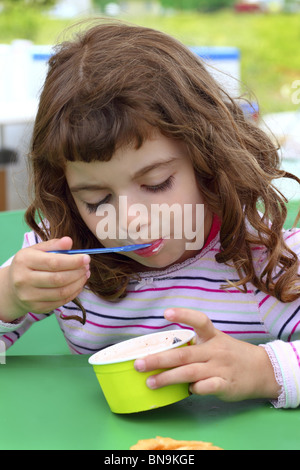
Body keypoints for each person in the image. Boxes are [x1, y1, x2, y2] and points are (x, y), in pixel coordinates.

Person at [0, 20, 299, 409]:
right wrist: (9, 296)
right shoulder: (64, 255)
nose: (131, 220)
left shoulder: (258, 258)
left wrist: (264, 370)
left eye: (156, 183)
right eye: (96, 199)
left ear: (207, 159)